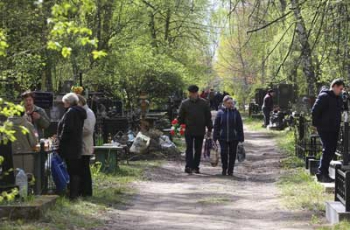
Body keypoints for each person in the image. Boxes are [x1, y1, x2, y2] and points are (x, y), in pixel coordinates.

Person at [312, 79, 344, 183]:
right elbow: (315, 111)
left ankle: (323, 172)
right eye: (340, 88)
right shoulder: (324, 96)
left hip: (334, 128)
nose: (341, 91)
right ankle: (322, 173)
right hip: (324, 128)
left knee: (331, 149)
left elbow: (341, 109)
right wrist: (315, 124)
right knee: (328, 148)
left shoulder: (338, 98)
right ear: (334, 86)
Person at [57, 93, 87, 200]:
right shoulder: (79, 112)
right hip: (76, 144)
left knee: (71, 170)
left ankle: (72, 195)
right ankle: (75, 193)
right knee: (75, 170)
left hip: (69, 145)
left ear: (68, 102)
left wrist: (60, 140)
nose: (63, 103)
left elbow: (67, 129)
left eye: (64, 101)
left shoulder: (71, 112)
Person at [178, 85, 213, 174]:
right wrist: (180, 125)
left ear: (197, 93)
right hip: (188, 130)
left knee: (198, 149)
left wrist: (209, 129)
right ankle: (188, 166)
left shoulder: (204, 103)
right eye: (191, 93)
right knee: (189, 148)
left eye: (194, 93)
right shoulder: (184, 103)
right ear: (189, 93)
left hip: (200, 129)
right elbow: (180, 117)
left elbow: (208, 117)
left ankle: (195, 166)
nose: (193, 95)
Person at [213, 96, 244, 176]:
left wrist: (241, 138)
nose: (231, 104)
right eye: (229, 103)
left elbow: (239, 125)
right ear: (224, 103)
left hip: (234, 137)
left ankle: (230, 170)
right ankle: (224, 168)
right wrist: (215, 137)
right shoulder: (220, 112)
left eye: (231, 103)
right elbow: (216, 126)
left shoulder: (236, 112)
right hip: (222, 137)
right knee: (223, 153)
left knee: (233, 154)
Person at [77, 95, 96, 197]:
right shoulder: (83, 112)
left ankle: (87, 192)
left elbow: (88, 129)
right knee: (82, 169)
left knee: (84, 169)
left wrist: (75, 130)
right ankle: (83, 190)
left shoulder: (88, 113)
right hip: (82, 145)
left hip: (85, 145)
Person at [9, 109, 38, 173]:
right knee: (26, 178)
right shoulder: (27, 124)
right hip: (26, 156)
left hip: (11, 155)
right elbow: (34, 142)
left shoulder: (7, 125)